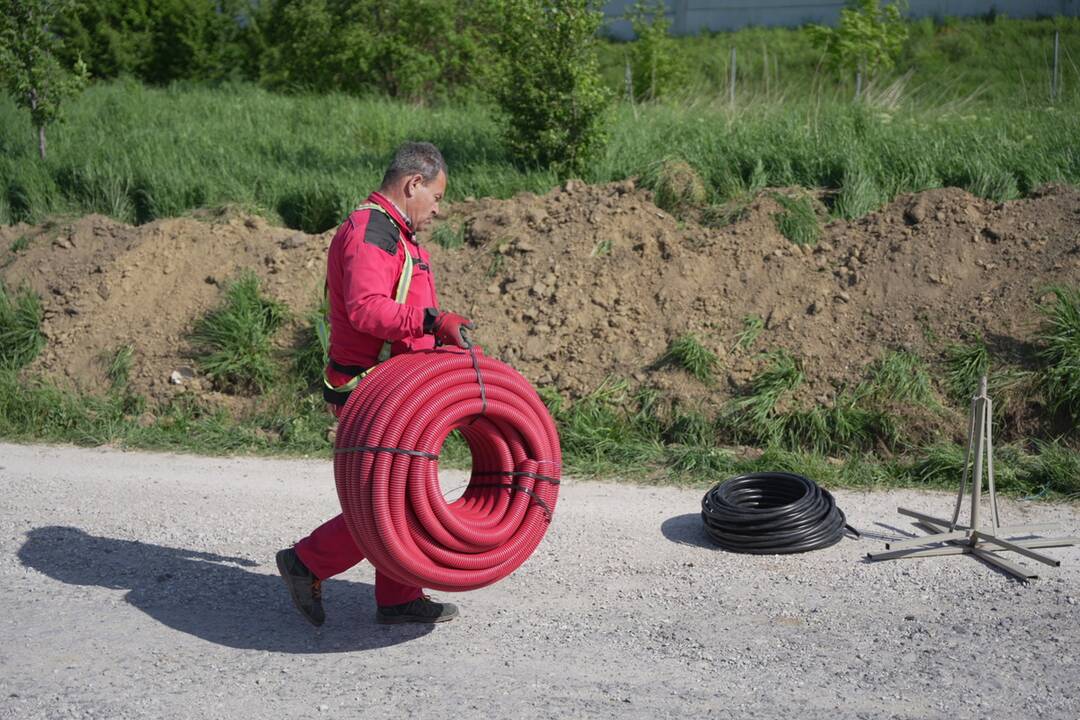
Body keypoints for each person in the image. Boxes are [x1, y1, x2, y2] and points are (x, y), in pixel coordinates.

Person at [276, 142, 474, 626]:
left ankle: (398, 596)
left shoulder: (395, 233)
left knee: (403, 494)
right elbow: (366, 308)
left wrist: (438, 344)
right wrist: (432, 320)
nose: (438, 208)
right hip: (372, 390)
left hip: (397, 389)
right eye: (437, 196)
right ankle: (308, 562)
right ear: (413, 184)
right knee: (392, 504)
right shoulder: (374, 230)